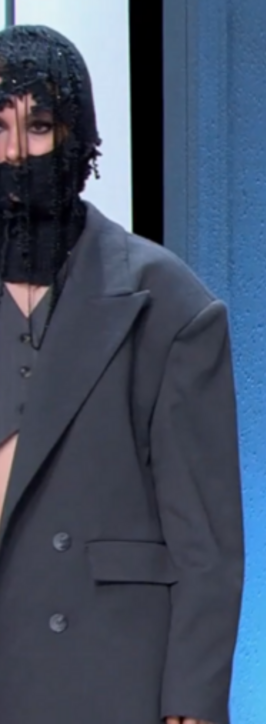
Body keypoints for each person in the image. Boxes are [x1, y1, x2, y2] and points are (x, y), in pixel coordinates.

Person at [0, 25, 244, 724]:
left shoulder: (169, 304)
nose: (14, 153)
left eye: (38, 127)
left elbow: (205, 540)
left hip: (106, 669)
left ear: (77, 137)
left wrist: (192, 703)